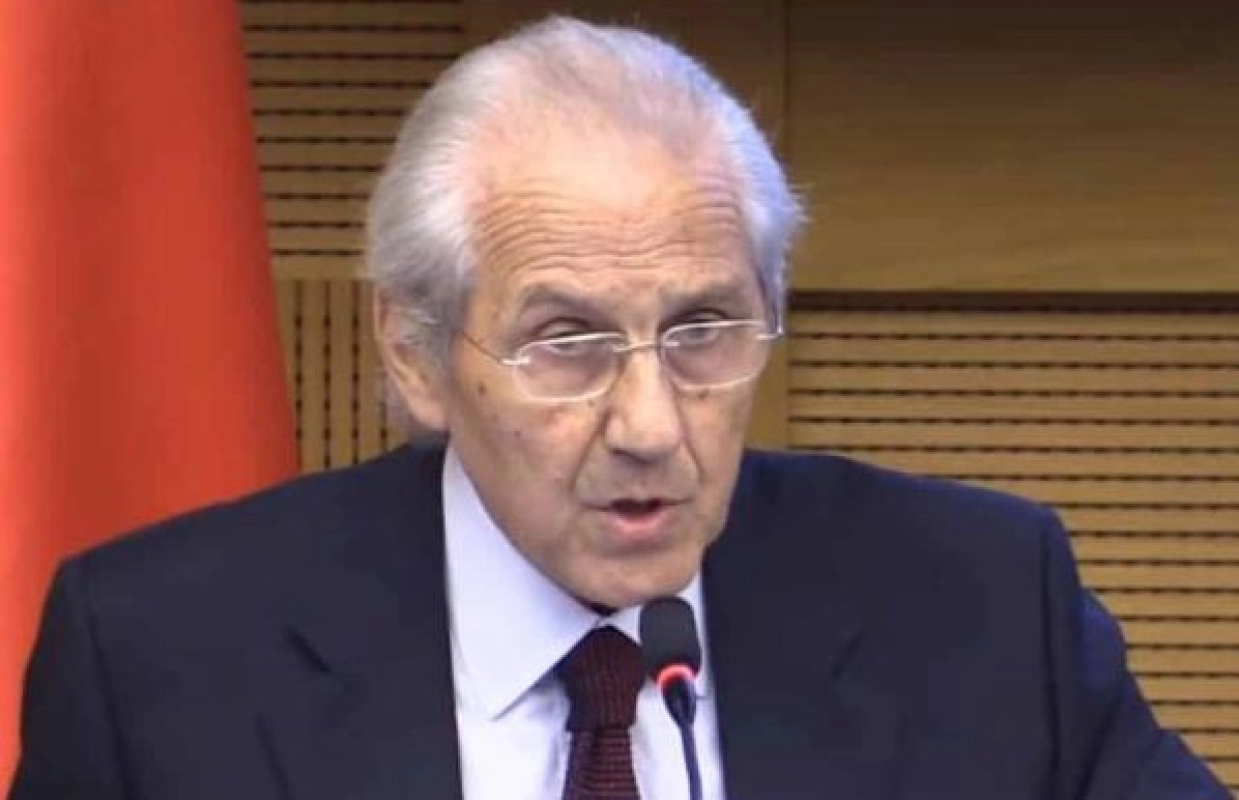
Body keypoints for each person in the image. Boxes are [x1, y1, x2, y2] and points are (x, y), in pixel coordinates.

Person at [9, 15, 1228, 800]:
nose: (651, 423)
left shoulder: (977, 605)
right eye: (568, 341)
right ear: (418, 353)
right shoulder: (162, 659)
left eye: (702, 330)